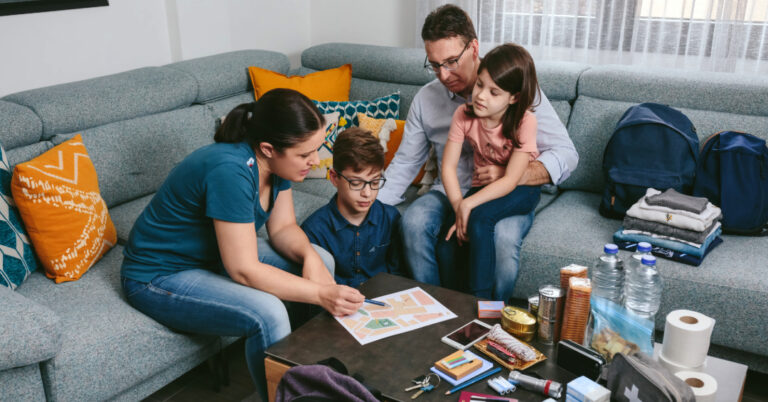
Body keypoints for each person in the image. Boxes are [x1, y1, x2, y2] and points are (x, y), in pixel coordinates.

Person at [120, 89, 365, 401]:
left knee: (321, 258)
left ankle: (317, 375)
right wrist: (320, 293)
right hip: (158, 275)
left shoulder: (277, 165)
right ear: (268, 149)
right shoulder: (230, 170)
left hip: (211, 256)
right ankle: (284, 395)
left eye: (316, 150)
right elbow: (244, 269)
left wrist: (309, 257)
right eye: (305, 155)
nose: (315, 161)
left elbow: (283, 228)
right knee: (269, 313)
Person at [377, 5, 578, 302]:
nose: (444, 75)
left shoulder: (515, 89)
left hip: (504, 191)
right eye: (434, 65)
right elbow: (406, 162)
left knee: (502, 238)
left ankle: (491, 317)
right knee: (413, 223)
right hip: (450, 191)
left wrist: (513, 174)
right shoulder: (428, 100)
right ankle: (436, 309)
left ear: (473, 48)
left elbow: (567, 154)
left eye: (451, 62)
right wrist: (368, 206)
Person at [442, 43, 542, 298]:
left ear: (514, 97)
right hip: (484, 186)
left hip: (522, 188)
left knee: (480, 220)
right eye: (479, 85)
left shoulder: (525, 121)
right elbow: (448, 167)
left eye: (494, 92)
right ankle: (456, 303)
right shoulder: (463, 114)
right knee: (450, 238)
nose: (481, 96)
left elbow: (510, 180)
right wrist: (459, 206)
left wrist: (469, 205)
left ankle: (482, 304)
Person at [301, 127, 404, 288]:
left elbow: (398, 275)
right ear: (334, 178)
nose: (367, 193)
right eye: (356, 183)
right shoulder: (314, 230)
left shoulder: (390, 218)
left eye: (375, 182)